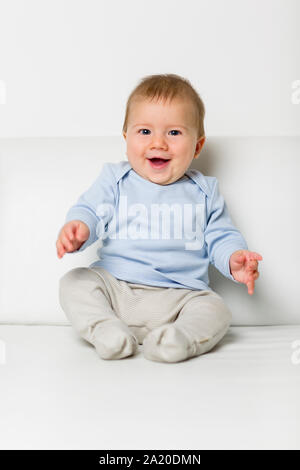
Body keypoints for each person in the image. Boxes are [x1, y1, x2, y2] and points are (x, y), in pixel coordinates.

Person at [56, 73, 263, 363]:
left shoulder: (204, 191)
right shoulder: (115, 179)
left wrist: (234, 259)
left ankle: (176, 340)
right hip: (118, 289)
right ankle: (107, 331)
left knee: (216, 308)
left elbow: (221, 236)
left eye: (174, 133)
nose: (159, 143)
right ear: (126, 138)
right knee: (74, 282)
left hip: (180, 297)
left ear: (198, 146)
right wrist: (79, 228)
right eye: (144, 132)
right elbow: (90, 210)